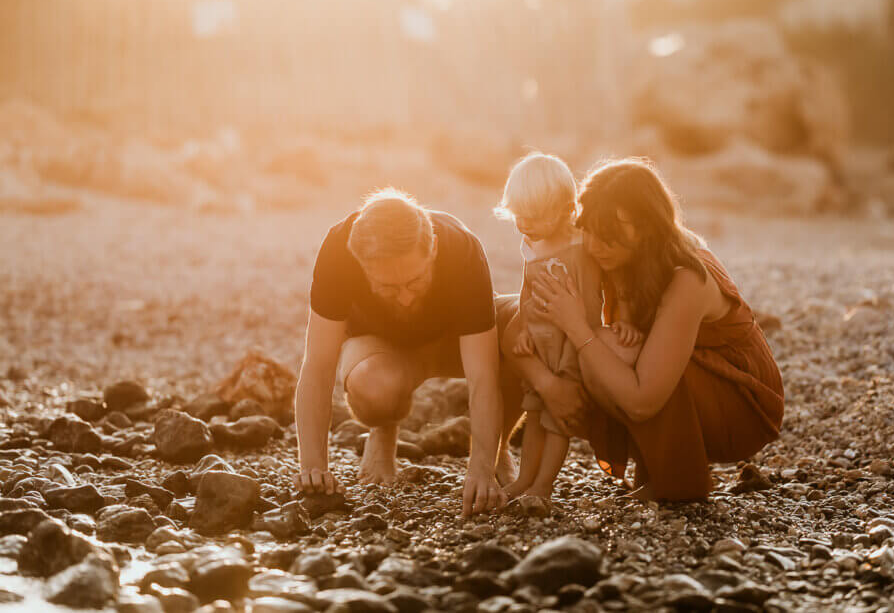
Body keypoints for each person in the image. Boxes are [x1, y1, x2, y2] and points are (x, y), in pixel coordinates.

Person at [501, 158, 785, 501]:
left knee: (604, 349)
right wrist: (549, 386)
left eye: (610, 237)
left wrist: (577, 327)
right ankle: (653, 469)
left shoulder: (688, 276)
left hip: (741, 406)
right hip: (687, 375)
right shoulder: (611, 256)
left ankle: (679, 483)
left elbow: (642, 401)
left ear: (648, 229)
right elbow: (514, 334)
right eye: (588, 230)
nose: (594, 246)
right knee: (599, 350)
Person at [293, 188, 513, 516]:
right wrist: (313, 468)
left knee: (528, 330)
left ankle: (499, 447)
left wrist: (480, 469)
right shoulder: (339, 251)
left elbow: (482, 376)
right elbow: (318, 368)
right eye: (388, 287)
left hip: (451, 341)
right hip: (383, 346)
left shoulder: (460, 247)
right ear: (360, 263)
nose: (406, 298)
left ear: (432, 248)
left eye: (415, 281)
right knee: (373, 386)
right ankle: (383, 431)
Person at [494, 154, 643, 508]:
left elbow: (614, 283)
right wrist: (525, 327)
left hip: (575, 342)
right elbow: (527, 289)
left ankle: (543, 486)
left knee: (556, 418)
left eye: (535, 217)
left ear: (565, 208)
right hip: (542, 342)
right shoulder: (532, 245)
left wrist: (623, 319)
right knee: (534, 412)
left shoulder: (584, 242)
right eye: (519, 217)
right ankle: (524, 480)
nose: (525, 225)